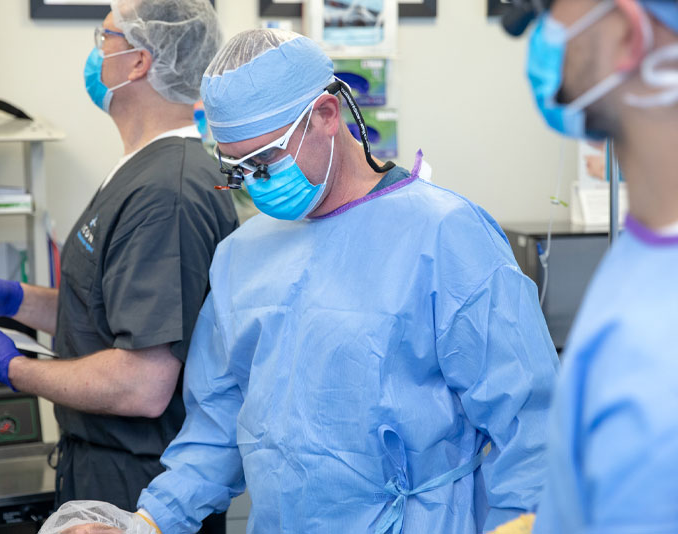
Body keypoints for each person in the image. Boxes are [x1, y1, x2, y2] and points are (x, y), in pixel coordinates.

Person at [42, 29, 560, 534]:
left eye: (265, 159)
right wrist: (149, 522)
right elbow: (217, 427)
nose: (257, 181)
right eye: (239, 168)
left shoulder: (446, 235)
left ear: (327, 116)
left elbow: (530, 427)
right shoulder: (241, 257)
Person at [0, 1, 238, 532]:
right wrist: (18, 301)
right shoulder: (143, 168)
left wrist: (13, 370)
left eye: (103, 36)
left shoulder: (166, 190)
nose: (95, 51)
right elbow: (112, 313)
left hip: (138, 487)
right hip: (105, 468)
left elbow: (143, 384)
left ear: (138, 62)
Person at [497, 0, 678, 532]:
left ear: (628, 36)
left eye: (552, 9)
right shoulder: (648, 246)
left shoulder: (659, 363)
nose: (535, 31)